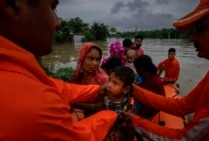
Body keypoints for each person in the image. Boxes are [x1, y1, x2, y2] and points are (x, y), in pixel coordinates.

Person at [121, 0, 209, 140]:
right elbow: (182, 106)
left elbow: (185, 139)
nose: (192, 38)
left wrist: (133, 120)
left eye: (201, 28)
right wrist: (134, 90)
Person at [0, 1, 117, 141]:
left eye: (97, 59)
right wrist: (112, 115)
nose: (58, 22)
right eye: (52, 7)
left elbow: (54, 86)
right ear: (11, 5)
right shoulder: (39, 107)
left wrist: (97, 91)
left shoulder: (17, 72)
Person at [73, 66, 135, 141]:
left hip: (112, 129)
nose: (109, 85)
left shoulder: (115, 106)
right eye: (109, 80)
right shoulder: (120, 94)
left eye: (115, 83)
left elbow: (94, 107)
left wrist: (74, 103)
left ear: (125, 89)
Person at [71, 42, 109, 122]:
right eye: (90, 59)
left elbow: (103, 106)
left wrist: (73, 103)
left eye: (98, 59)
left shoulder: (103, 79)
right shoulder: (78, 75)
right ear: (82, 58)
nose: (95, 63)